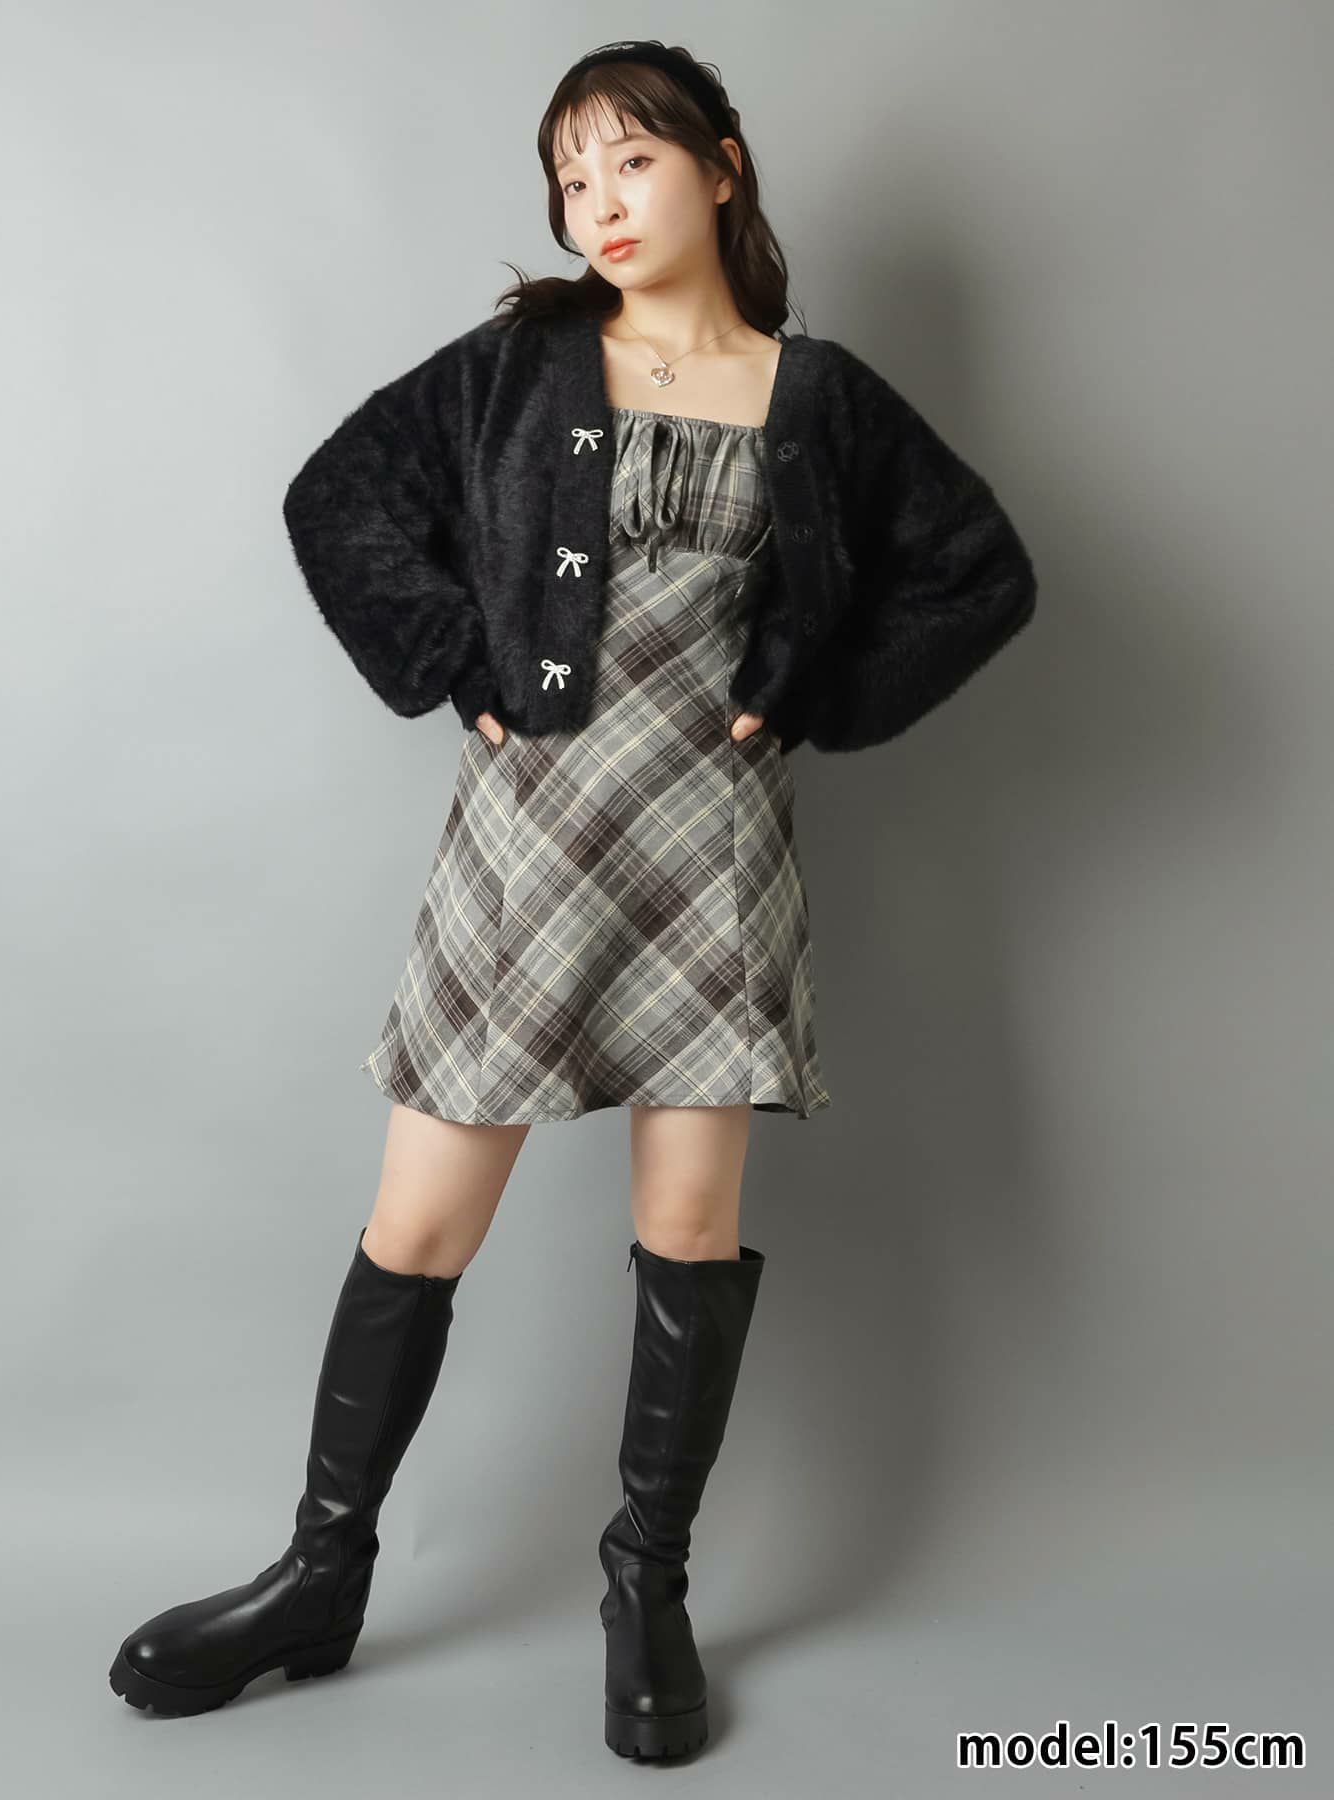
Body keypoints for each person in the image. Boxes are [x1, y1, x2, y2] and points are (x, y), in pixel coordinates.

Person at [108, 38, 1036, 1761]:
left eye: (632, 161)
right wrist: (455, 661)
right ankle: (318, 1577)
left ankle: (646, 1584)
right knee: (419, 1224)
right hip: (531, 844)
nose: (597, 202)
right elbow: (339, 500)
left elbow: (978, 572)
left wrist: (812, 693)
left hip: (710, 854)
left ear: (723, 163)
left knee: (687, 1225)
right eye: (571, 175)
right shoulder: (523, 367)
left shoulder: (817, 396)